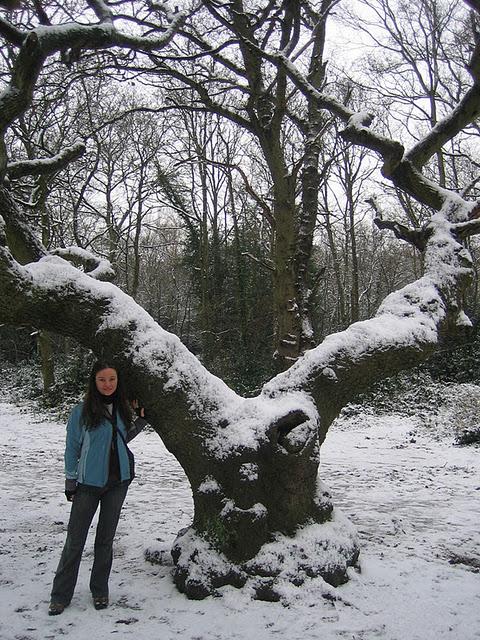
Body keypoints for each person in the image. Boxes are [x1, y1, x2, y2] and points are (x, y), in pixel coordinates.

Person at [48, 361, 148, 615]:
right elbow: (72, 449)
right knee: (75, 541)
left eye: (112, 379)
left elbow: (121, 438)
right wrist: (71, 482)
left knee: (105, 540)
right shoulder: (81, 412)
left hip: (118, 483)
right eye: (102, 380)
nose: (107, 384)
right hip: (88, 485)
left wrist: (140, 421)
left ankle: (99, 590)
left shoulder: (122, 409)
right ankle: (60, 595)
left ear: (118, 381)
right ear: (94, 382)